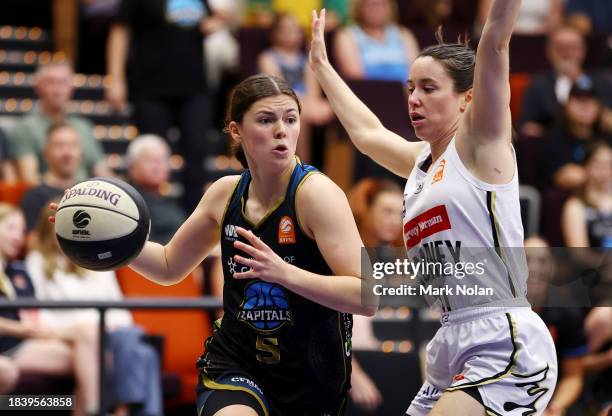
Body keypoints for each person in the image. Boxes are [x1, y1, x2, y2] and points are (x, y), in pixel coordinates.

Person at [53, 74, 375, 415]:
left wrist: (285, 273)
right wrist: (107, 240)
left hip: (310, 377)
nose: (282, 130)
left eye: (290, 119)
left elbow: (369, 296)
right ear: (236, 131)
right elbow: (168, 266)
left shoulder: (317, 194)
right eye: (266, 120)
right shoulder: (224, 194)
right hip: (236, 364)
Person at [309, 1, 558, 414]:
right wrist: (322, 67)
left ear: (468, 98)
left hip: (501, 337)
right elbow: (367, 133)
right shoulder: (420, 161)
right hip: (451, 339)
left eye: (429, 88)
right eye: (410, 88)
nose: (414, 99)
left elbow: (495, 42)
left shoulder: (482, 145)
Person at [27, 204, 163, 416]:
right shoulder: (37, 261)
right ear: (50, 232)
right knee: (142, 352)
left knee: (141, 350)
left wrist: (110, 325)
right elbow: (38, 311)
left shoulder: (97, 260)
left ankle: (122, 409)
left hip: (109, 330)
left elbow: (119, 306)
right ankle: (123, 410)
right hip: (68, 333)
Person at [106, 0, 230, 211]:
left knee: (197, 152)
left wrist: (216, 22)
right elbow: (119, 32)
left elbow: (211, 18)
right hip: (150, 87)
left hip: (194, 86)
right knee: (150, 153)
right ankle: (148, 214)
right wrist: (115, 78)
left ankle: (193, 217)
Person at [0, 203, 100, 415]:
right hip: (8, 345)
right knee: (91, 355)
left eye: (21, 230)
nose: (18, 236)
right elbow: (22, 325)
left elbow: (31, 313)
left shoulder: (19, 271)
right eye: (10, 228)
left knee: (90, 340)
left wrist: (36, 329)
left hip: (22, 343)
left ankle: (89, 410)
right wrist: (22, 329)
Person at [7, 61, 111, 184]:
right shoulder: (26, 128)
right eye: (50, 82)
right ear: (37, 87)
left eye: (63, 82)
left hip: (87, 195)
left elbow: (102, 171)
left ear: (71, 88)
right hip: (49, 196)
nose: (57, 90)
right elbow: (30, 179)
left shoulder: (84, 126)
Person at [257, 12, 334, 163]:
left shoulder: (306, 60)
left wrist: (314, 105)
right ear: (274, 34)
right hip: (280, 103)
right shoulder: (268, 58)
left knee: (331, 108)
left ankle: (331, 168)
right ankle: (301, 165)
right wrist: (303, 105)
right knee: (298, 114)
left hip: (306, 103)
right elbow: (278, 90)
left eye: (294, 29)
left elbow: (314, 91)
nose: (290, 34)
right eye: (285, 30)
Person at [525, 236, 588, 416]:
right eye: (526, 259)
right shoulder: (496, 313)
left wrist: (554, 409)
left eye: (542, 261)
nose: (534, 268)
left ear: (552, 268)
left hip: (551, 401)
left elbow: (573, 376)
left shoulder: (568, 313)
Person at [518, 25, 612, 139]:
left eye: (573, 48)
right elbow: (526, 125)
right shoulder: (538, 85)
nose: (567, 53)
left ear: (583, 51)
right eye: (561, 48)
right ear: (549, 52)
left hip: (596, 145)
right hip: (554, 148)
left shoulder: (602, 81)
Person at [20, 122, 82, 237]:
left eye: (73, 145)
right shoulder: (34, 196)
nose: (67, 153)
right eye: (59, 145)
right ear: (46, 153)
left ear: (81, 152)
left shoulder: (88, 193)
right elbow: (32, 243)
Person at [333, 0, 419, 82]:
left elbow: (416, 73)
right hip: (366, 94)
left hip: (405, 95)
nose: (377, 9)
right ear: (360, 7)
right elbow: (355, 77)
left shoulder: (404, 34)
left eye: (382, 4)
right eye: (372, 5)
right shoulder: (347, 36)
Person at [126, 134, 187, 245]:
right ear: (132, 167)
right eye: (149, 160)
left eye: (162, 160)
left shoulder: (170, 200)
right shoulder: (127, 205)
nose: (157, 166)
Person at [561, 142, 612, 248]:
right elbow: (580, 254)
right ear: (586, 166)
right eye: (599, 164)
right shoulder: (575, 205)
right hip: (594, 263)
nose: (605, 170)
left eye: (610, 164)